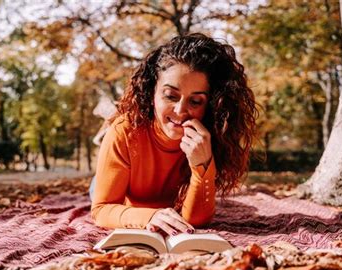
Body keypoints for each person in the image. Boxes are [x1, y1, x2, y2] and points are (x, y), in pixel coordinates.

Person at [91, 33, 258, 236]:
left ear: (211, 104)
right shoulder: (124, 131)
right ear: (152, 91)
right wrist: (149, 217)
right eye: (170, 96)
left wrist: (202, 165)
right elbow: (102, 209)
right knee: (97, 187)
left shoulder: (210, 136)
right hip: (121, 187)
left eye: (195, 101)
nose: (180, 111)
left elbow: (196, 220)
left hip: (172, 205)